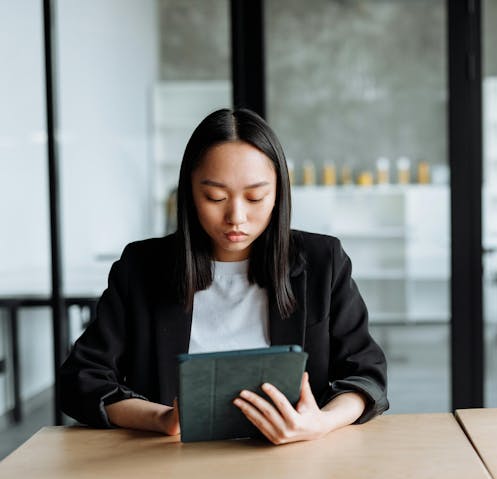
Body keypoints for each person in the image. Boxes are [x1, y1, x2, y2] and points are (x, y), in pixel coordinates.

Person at [60, 108, 389, 444]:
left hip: (294, 464)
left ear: (278, 193)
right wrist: (161, 418)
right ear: (189, 192)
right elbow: (81, 380)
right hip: (169, 467)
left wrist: (321, 422)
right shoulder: (142, 267)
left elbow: (365, 375)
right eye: (215, 197)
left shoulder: (322, 262)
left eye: (255, 197)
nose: (237, 216)